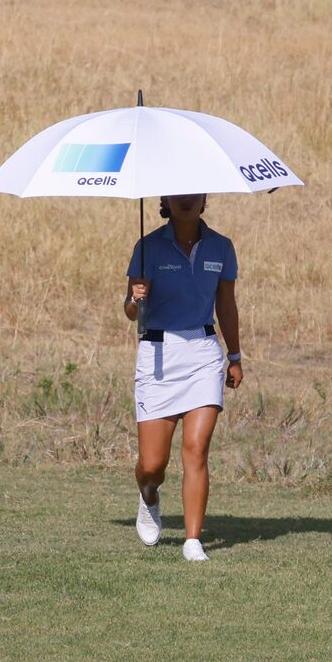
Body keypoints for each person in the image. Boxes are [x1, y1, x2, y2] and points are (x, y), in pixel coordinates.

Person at [125, 194, 243, 562]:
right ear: (165, 200)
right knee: (152, 465)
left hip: (203, 353)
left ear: (205, 200)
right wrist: (135, 297)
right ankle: (149, 496)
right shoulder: (147, 247)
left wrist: (235, 356)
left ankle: (193, 540)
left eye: (195, 194)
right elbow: (130, 312)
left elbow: (226, 304)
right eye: (179, 195)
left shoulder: (221, 247)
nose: (187, 200)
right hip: (158, 354)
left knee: (196, 449)